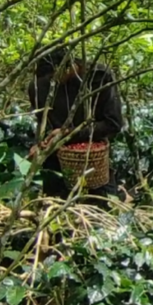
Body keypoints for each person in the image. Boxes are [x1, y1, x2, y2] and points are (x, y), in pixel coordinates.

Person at [28, 48, 125, 200]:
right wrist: (38, 143)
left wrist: (69, 133)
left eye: (56, 77)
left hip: (92, 156)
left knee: (102, 205)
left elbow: (113, 123)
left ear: (70, 67)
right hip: (56, 155)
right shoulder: (39, 85)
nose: (53, 82)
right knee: (54, 205)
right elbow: (42, 121)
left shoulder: (99, 77)